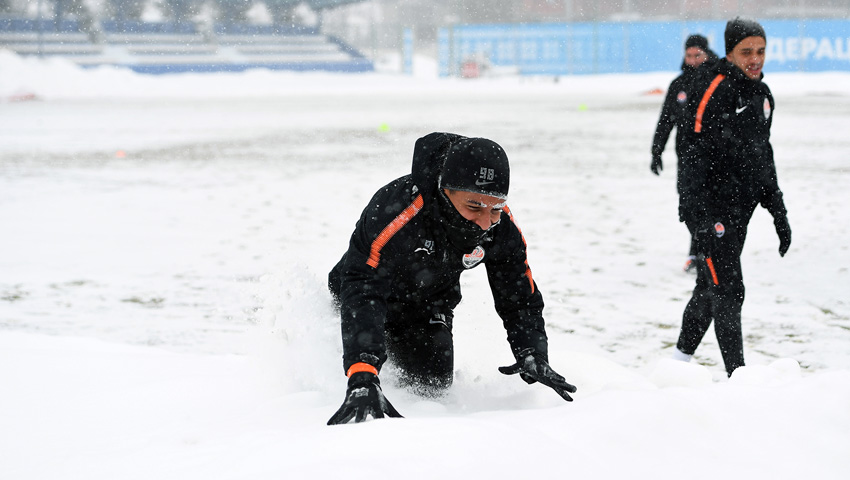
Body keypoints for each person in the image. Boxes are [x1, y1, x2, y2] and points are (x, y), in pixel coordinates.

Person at [326, 132, 576, 425]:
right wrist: (362, 375)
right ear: (445, 191)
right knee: (360, 362)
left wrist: (531, 351)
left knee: (433, 387)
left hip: (428, 306)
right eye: (474, 207)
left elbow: (518, 293)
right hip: (361, 296)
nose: (485, 221)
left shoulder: (500, 226)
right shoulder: (398, 211)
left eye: (496, 208)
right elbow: (362, 287)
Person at [672, 18, 792, 377]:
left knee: (708, 289)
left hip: (741, 210)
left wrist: (778, 212)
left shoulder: (762, 95)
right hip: (712, 209)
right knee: (729, 289)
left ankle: (676, 365)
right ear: (729, 52)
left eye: (761, 51)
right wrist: (696, 214)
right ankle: (738, 379)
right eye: (746, 52)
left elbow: (762, 155)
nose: (755, 59)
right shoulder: (712, 87)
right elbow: (690, 153)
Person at [651, 34, 719, 273]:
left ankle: (702, 254)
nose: (693, 60)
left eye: (697, 55)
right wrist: (656, 151)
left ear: (707, 54)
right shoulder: (678, 85)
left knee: (708, 206)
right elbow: (665, 120)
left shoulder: (717, 81)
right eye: (689, 55)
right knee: (687, 207)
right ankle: (699, 250)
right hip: (687, 157)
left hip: (713, 157)